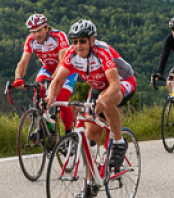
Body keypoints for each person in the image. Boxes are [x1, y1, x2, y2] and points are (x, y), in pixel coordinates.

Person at [45, 20, 136, 172]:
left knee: (105, 102)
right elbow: (58, 80)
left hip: (122, 82)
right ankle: (90, 184)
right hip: (98, 88)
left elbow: (114, 84)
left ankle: (119, 142)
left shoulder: (102, 51)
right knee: (91, 134)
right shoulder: (71, 54)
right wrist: (50, 97)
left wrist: (103, 100)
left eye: (82, 41)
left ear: (92, 40)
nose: (78, 45)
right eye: (75, 42)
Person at [12, 13, 78, 130]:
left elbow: (63, 62)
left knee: (61, 99)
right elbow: (23, 62)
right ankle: (44, 125)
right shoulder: (30, 40)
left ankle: (69, 134)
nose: (37, 34)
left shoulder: (58, 36)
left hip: (67, 70)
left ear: (46, 28)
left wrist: (53, 79)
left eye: (39, 30)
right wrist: (18, 78)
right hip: (48, 68)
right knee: (38, 93)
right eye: (33, 32)